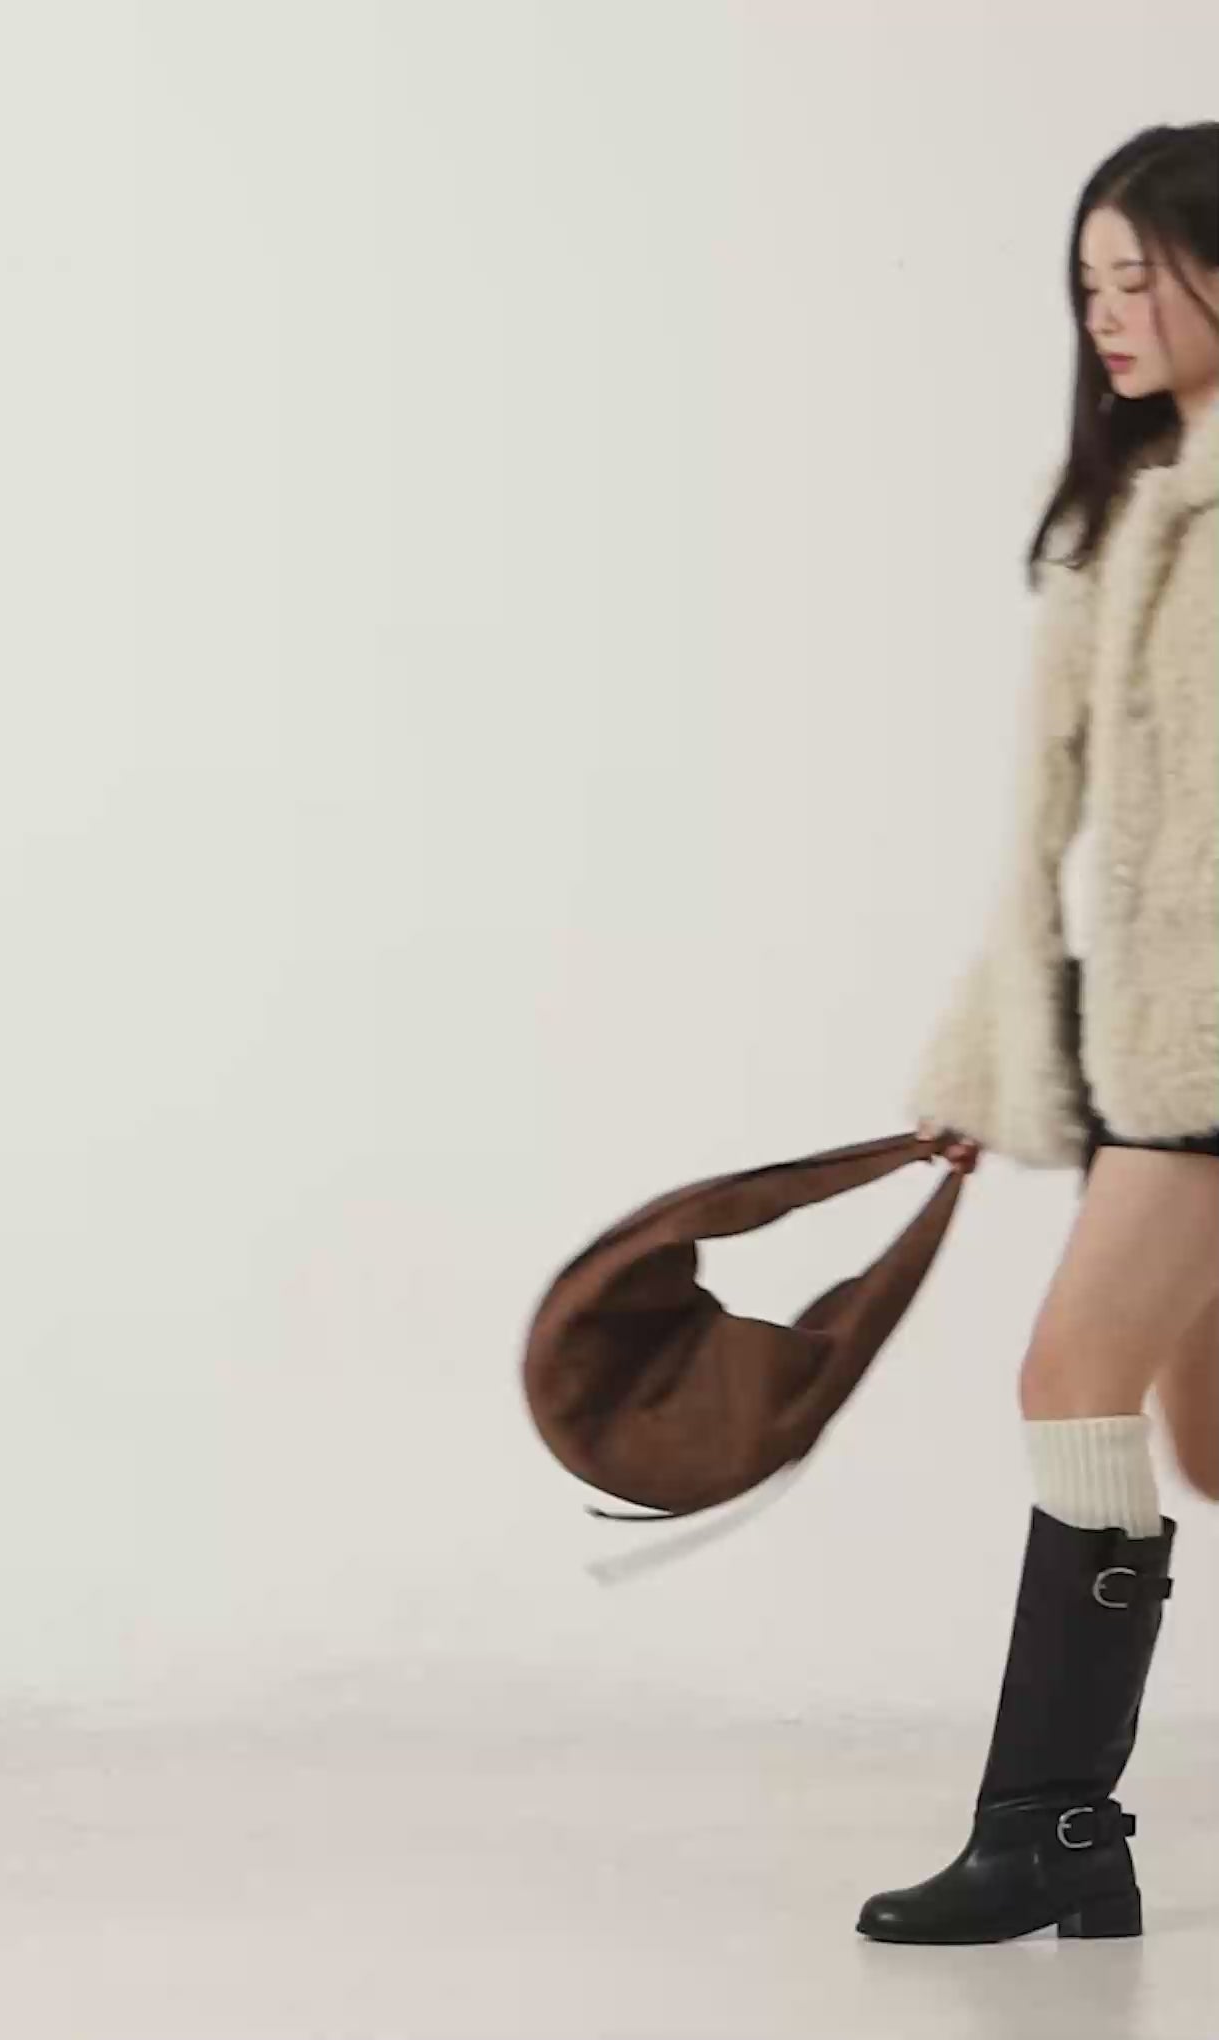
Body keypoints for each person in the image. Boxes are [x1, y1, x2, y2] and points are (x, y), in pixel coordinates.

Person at [856, 123, 1219, 1946]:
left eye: (1140, 274)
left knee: (1071, 1381)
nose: (1109, 313)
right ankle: (1065, 1840)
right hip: (1153, 1042)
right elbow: (1053, 834)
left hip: (1208, 1062)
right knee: (1208, 1440)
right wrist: (987, 1057)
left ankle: (1049, 1831)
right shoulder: (1134, 511)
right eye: (1088, 284)